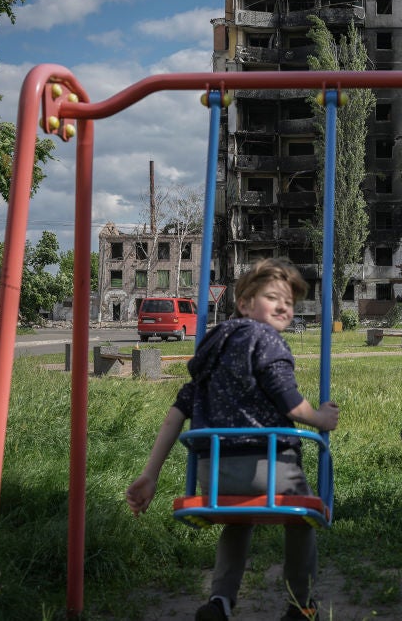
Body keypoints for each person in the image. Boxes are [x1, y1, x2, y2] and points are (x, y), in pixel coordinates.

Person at [125, 259, 340, 621]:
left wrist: (151, 474)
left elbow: (176, 413)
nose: (284, 307)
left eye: (289, 302)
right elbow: (289, 401)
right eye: (273, 297)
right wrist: (321, 417)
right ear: (244, 304)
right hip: (269, 472)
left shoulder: (211, 347)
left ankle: (219, 601)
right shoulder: (267, 340)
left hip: (212, 477)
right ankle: (300, 603)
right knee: (303, 516)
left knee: (237, 519)